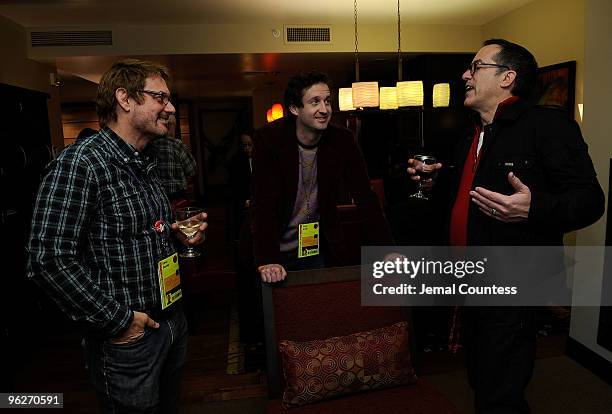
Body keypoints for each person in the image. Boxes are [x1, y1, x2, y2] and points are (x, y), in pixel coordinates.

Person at [409, 39, 604, 413]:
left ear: (507, 77)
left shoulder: (547, 125)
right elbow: (465, 196)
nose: (465, 74)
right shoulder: (473, 132)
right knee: (480, 376)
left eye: (476, 66)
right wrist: (433, 182)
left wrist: (535, 208)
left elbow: (591, 200)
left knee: (500, 391)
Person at [27, 59, 208, 413]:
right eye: (160, 97)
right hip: (128, 339)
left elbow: (138, 233)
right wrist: (120, 321)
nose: (169, 108)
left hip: (171, 322)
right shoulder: (81, 164)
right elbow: (48, 259)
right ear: (125, 99)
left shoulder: (144, 160)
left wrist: (178, 236)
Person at [251, 70, 393, 283]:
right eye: (315, 102)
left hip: (316, 247)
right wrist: (269, 259)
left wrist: (386, 250)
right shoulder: (269, 139)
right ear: (294, 108)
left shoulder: (342, 140)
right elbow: (263, 204)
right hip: (274, 250)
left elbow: (366, 197)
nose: (324, 109)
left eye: (327, 101)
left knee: (320, 310)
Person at [149, 114, 197, 203]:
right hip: (178, 195)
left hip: (156, 196)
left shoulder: (149, 145)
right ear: (170, 126)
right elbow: (192, 169)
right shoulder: (176, 144)